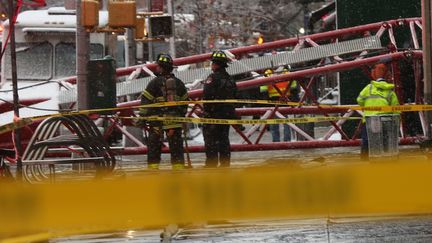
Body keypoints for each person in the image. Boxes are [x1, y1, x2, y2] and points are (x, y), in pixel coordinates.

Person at [138, 53, 189, 170]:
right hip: (174, 122)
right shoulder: (179, 83)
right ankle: (178, 168)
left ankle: (153, 169)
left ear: (160, 67)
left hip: (157, 122)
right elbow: (185, 102)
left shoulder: (154, 83)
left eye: (158, 66)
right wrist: (180, 116)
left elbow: (145, 102)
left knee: (154, 147)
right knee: (176, 148)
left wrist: (142, 118)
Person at [357, 63, 399, 159]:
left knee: (367, 141)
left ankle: (365, 160)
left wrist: (367, 106)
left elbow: (359, 100)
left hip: (369, 120)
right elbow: (396, 109)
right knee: (384, 141)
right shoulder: (390, 92)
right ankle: (383, 159)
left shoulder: (369, 88)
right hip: (385, 120)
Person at [202, 50, 237, 168]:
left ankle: (211, 167)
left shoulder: (212, 78)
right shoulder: (230, 79)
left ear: (216, 64)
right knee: (224, 142)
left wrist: (206, 112)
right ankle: (225, 165)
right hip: (226, 116)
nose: (211, 65)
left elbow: (207, 96)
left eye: (212, 63)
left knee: (211, 144)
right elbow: (235, 96)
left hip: (212, 117)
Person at [260, 66, 300, 142]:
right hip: (285, 100)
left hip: (273, 101)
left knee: (274, 123)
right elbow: (294, 88)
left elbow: (263, 90)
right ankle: (287, 140)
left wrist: (266, 101)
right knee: (286, 122)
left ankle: (276, 141)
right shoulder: (287, 73)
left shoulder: (267, 74)